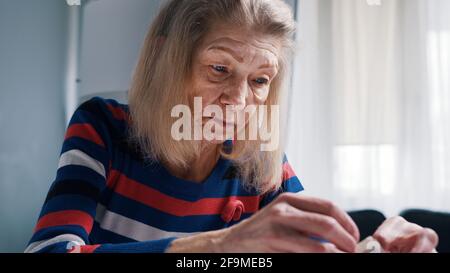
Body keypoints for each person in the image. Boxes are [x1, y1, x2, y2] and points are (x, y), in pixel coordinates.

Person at [25, 0, 438, 253]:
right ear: (168, 59)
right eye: (219, 68)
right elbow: (49, 251)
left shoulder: (259, 161)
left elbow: (307, 245)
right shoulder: (103, 127)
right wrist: (221, 246)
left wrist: (376, 246)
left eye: (259, 80)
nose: (238, 101)